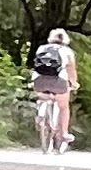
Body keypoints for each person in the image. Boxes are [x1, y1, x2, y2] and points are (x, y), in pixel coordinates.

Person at [26, 24, 79, 153]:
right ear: (65, 40)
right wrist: (74, 83)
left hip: (39, 81)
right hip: (58, 82)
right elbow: (71, 70)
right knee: (64, 106)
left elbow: (36, 65)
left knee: (41, 93)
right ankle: (64, 133)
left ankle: (41, 114)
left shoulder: (41, 48)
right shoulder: (67, 51)